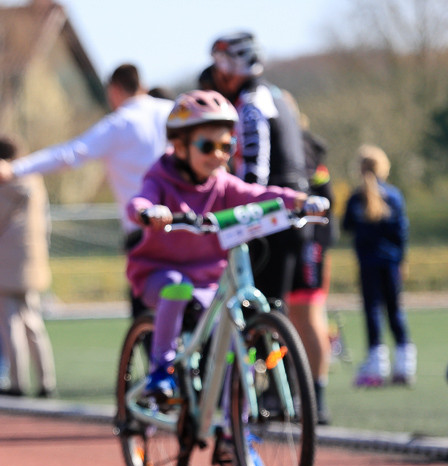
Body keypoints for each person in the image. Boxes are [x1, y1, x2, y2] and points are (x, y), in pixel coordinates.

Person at [125, 90, 327, 403]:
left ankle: (237, 435)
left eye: (226, 146)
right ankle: (160, 371)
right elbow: (140, 200)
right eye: (208, 146)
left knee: (235, 339)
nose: (219, 155)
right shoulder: (161, 177)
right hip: (160, 272)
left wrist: (299, 200)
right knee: (176, 288)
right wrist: (148, 212)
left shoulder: (222, 182)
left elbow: (257, 194)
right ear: (179, 146)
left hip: (209, 279)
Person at [0, 63, 172, 317]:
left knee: (147, 313)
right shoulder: (173, 112)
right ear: (143, 86)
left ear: (114, 91)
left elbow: (70, 155)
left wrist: (15, 169)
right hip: (187, 223)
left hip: (145, 232)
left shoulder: (120, 124)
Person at [210, 32, 310, 304]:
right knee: (275, 308)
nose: (217, 73)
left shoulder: (251, 104)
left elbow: (255, 174)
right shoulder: (275, 96)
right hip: (292, 206)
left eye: (220, 63)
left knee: (259, 308)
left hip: (270, 213)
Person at [0, 137, 56, 398]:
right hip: (31, 260)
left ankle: (17, 382)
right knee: (33, 322)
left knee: (9, 326)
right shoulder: (34, 182)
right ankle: (46, 382)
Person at [342, 144, 415, 387]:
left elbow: (346, 226)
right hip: (391, 262)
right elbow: (401, 231)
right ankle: (405, 363)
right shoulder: (394, 195)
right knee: (395, 310)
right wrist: (401, 259)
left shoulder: (356, 197)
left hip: (368, 262)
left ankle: (376, 364)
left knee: (372, 310)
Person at [284, 93, 336, 422]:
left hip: (306, 241)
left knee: (308, 314)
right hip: (301, 241)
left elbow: (322, 199)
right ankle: (295, 393)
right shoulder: (300, 146)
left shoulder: (302, 146)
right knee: (291, 317)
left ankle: (316, 399)